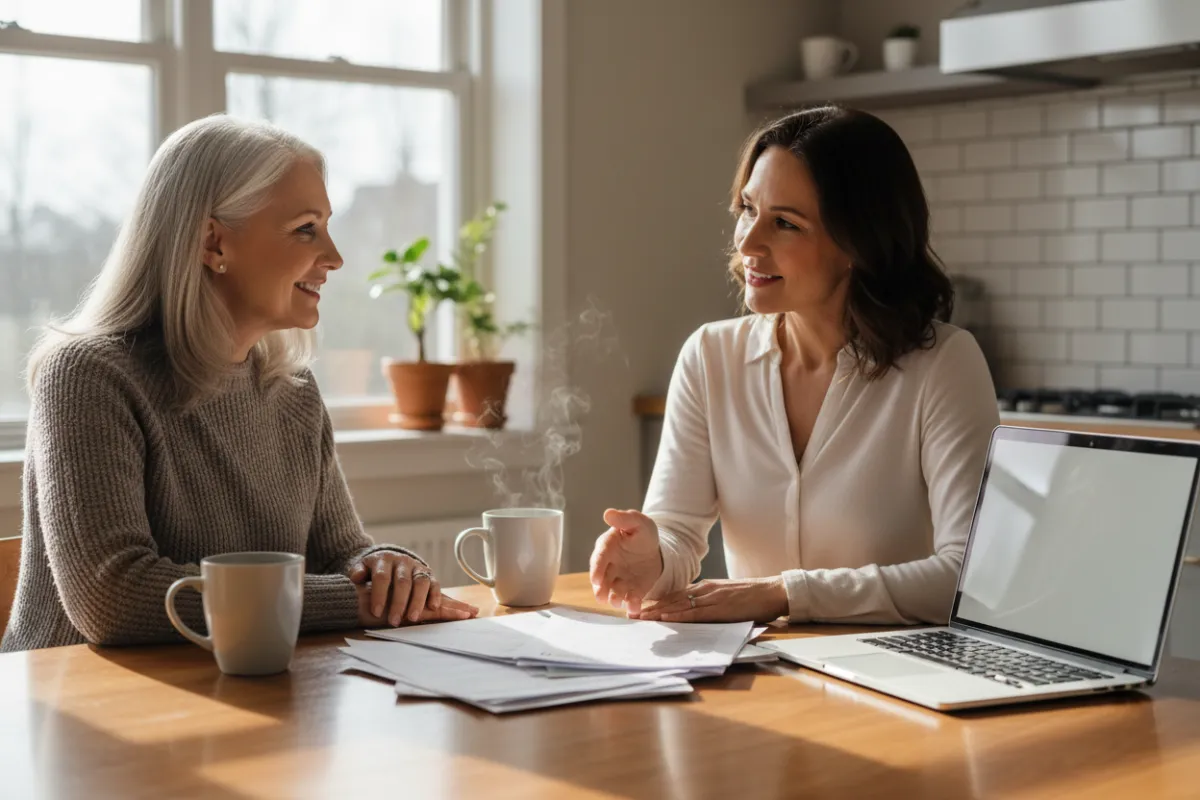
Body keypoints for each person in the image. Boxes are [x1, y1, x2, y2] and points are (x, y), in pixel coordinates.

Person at [0, 115, 477, 652]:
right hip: (80, 713)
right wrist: (353, 600)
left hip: (245, 694)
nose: (334, 257)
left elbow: (339, 552)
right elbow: (113, 597)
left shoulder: (292, 391)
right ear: (213, 243)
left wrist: (387, 571)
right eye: (305, 228)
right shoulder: (88, 376)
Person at [590, 106, 999, 626]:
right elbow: (677, 534)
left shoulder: (944, 364)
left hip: (899, 678)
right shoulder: (711, 356)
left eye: (785, 223)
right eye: (747, 209)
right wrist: (653, 554)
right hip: (763, 671)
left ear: (858, 241)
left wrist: (784, 593)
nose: (748, 241)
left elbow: (967, 577)